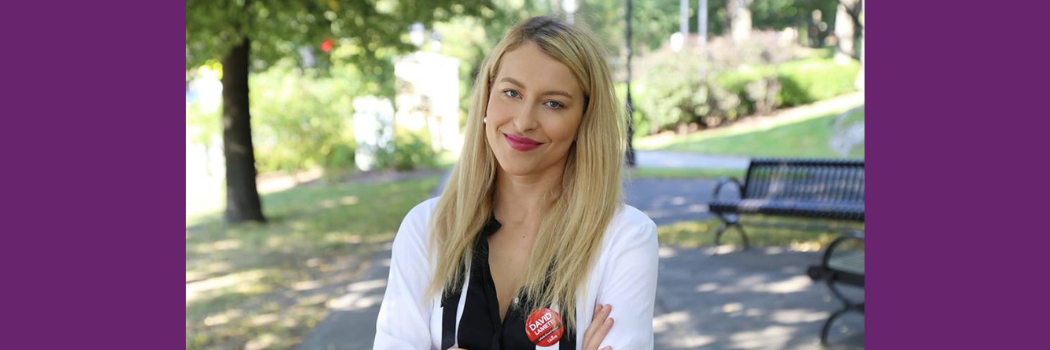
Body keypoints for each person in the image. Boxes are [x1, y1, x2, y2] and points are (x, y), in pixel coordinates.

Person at [374, 16, 658, 350]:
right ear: (486, 99)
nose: (524, 121)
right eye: (512, 92)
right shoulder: (426, 229)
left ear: (585, 120)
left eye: (554, 103)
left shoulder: (624, 238)